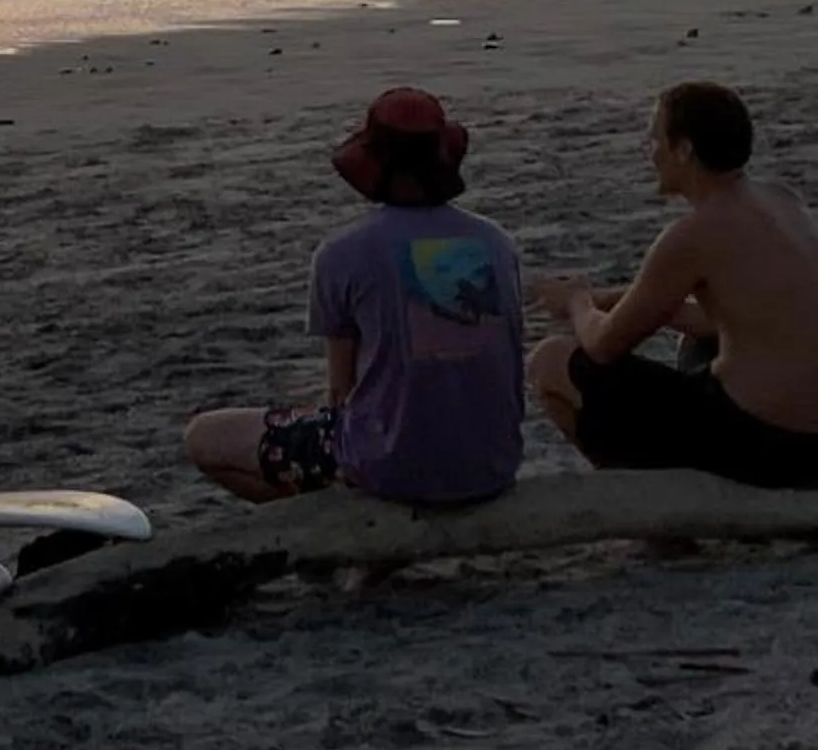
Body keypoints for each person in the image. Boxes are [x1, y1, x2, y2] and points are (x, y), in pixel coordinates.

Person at [184, 88, 525, 506]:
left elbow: (341, 393)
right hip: (491, 464)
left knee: (204, 437)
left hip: (389, 468)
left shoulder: (342, 253)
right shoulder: (497, 242)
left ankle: (335, 531)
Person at [527, 81, 818, 487]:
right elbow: (752, 314)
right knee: (696, 342)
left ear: (684, 150)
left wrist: (577, 299)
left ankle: (656, 516)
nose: (651, 152)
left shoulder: (692, 235)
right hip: (810, 436)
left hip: (772, 444)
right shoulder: (782, 200)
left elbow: (604, 345)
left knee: (552, 360)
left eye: (656, 138)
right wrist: (625, 301)